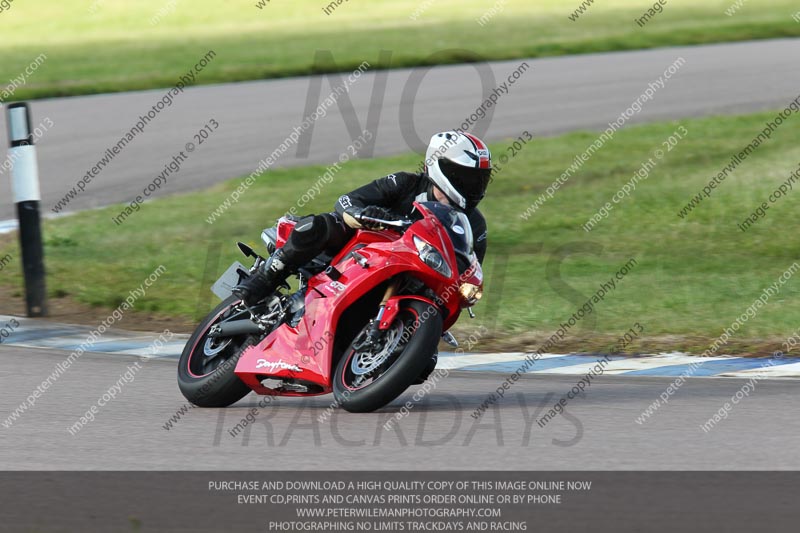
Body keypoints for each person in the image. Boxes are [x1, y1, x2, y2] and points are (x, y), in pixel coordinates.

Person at [233, 131, 492, 306]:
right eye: (465, 177)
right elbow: (346, 202)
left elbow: (468, 271)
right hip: (358, 252)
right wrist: (368, 214)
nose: (473, 186)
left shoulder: (475, 225)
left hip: (409, 276)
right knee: (320, 225)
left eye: (479, 180)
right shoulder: (405, 183)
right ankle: (264, 279)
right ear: (438, 165)